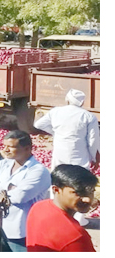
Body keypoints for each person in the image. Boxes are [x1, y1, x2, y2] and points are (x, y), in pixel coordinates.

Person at [33, 88, 100, 226]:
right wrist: (94, 157)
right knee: (80, 184)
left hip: (60, 152)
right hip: (79, 154)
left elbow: (38, 124)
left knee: (58, 180)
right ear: (82, 102)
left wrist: (56, 132)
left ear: (67, 99)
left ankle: (56, 213)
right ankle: (79, 218)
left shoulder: (56, 111)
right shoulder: (88, 116)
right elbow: (93, 141)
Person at [0, 130, 52, 252]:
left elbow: (20, 196)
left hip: (21, 231)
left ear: (27, 149)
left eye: (11, 147)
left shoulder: (38, 171)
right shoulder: (3, 164)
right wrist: (8, 186)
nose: (5, 150)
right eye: (4, 146)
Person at [26, 165, 98, 252]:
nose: (88, 199)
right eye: (78, 193)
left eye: (91, 192)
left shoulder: (38, 207)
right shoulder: (75, 236)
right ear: (56, 190)